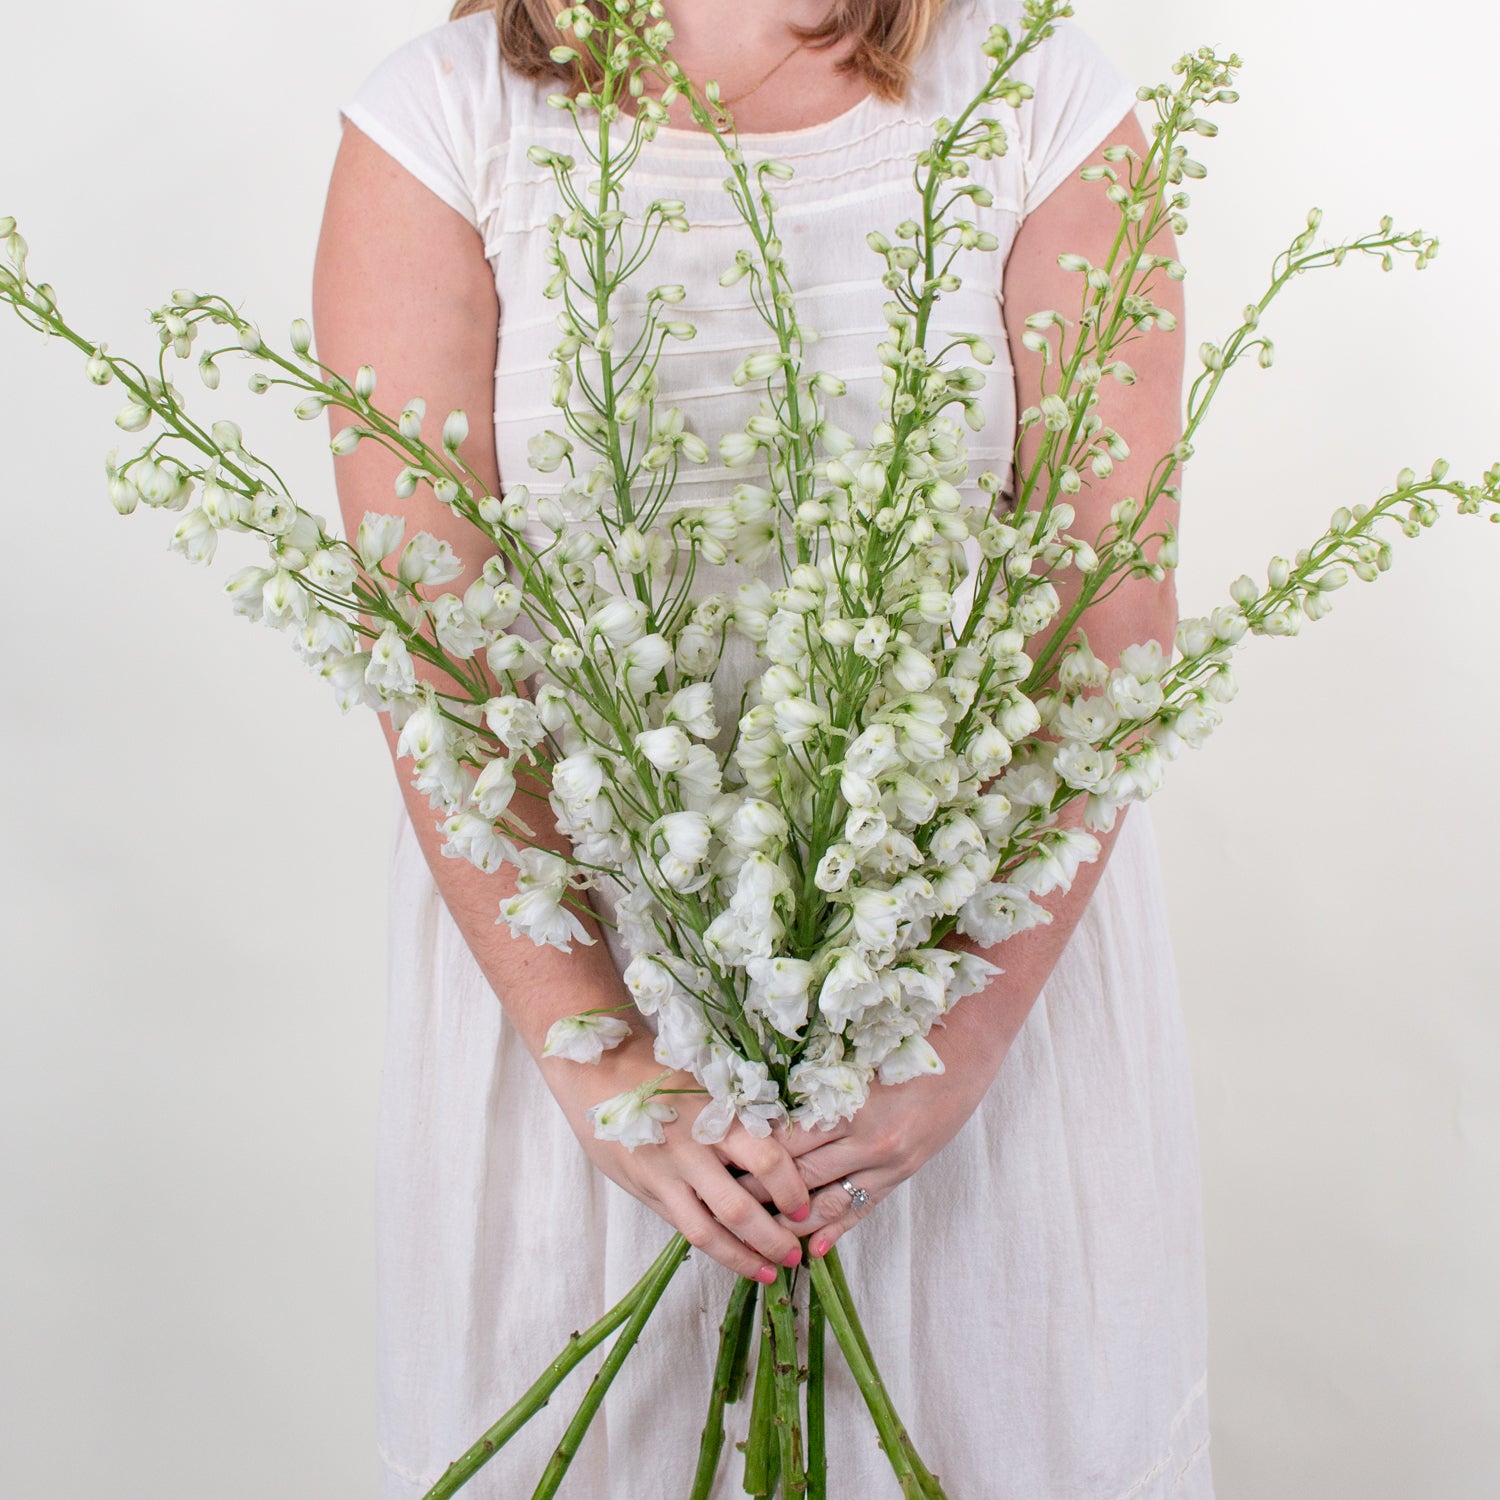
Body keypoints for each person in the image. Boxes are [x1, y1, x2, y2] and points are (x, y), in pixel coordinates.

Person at [313, 0, 1214, 1494]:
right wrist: (604, 1068)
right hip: (591, 996)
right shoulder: (443, 118)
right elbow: (435, 643)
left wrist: (961, 1032)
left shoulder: (1041, 91)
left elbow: (1107, 600)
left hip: (967, 978)